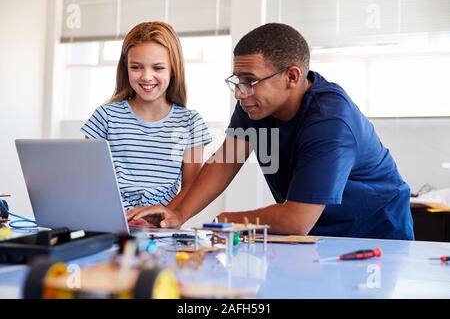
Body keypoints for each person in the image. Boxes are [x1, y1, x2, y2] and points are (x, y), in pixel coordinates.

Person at [126, 23, 414, 240]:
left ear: (291, 76)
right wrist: (177, 214)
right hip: (314, 237)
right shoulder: (255, 105)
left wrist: (228, 218)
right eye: (238, 80)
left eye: (250, 80)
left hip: (375, 236)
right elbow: (225, 162)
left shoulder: (331, 122)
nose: (240, 93)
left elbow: (295, 219)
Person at [81, 22, 212, 224]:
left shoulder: (190, 123)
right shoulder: (105, 116)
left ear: (174, 69)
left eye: (158, 67)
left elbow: (191, 188)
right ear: (125, 68)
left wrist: (161, 218)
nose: (146, 76)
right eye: (136, 67)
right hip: (109, 223)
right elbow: (87, 179)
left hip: (159, 229)